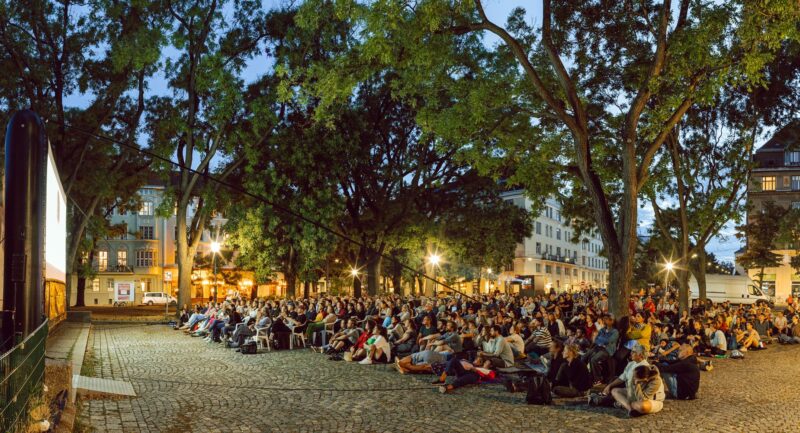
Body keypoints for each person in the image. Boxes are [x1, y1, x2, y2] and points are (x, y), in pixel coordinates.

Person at [604, 344, 664, 416]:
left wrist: (636, 384)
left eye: (634, 352)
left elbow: (642, 398)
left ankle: (622, 404)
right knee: (615, 390)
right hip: (634, 393)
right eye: (631, 351)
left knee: (641, 406)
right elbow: (622, 377)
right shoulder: (631, 364)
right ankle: (630, 409)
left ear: (640, 355)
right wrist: (610, 386)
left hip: (649, 399)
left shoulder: (644, 369)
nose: (631, 353)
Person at [582, 314, 619, 384]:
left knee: (593, 359)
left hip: (608, 350)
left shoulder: (615, 332)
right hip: (598, 347)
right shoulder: (602, 330)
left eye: (606, 319)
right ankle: (586, 375)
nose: (604, 321)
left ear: (612, 321)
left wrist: (601, 339)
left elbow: (609, 340)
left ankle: (598, 378)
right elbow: (596, 340)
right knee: (584, 357)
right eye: (604, 319)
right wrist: (602, 340)